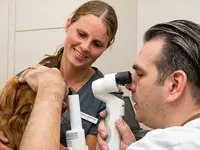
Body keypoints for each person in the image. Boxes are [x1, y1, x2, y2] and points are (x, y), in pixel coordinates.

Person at [0, 1, 118, 150]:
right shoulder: (32, 76)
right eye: (81, 34)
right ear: (68, 25)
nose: (85, 47)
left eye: (97, 44)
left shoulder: (106, 97)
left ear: (106, 47)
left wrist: (35, 139)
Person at [96, 19, 200, 150]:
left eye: (140, 74)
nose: (128, 86)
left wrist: (60, 97)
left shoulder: (159, 144)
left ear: (174, 85)